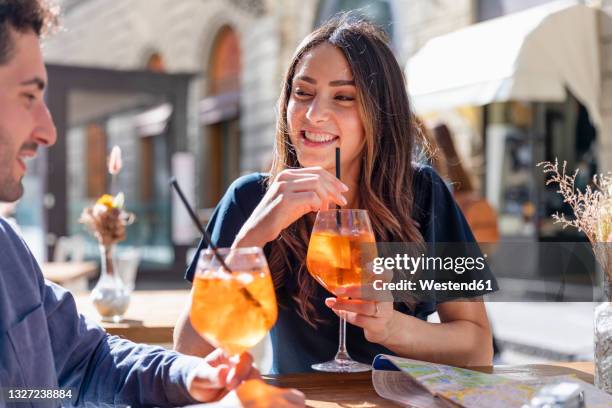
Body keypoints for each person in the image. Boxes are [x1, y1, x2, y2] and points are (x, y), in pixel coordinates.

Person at [0, 1, 305, 406]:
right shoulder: (251, 195)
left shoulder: (8, 251)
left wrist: (193, 375)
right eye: (28, 97)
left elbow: (87, 363)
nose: (49, 131)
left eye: (345, 97)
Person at [175, 14, 494, 374]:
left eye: (343, 97)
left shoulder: (423, 194)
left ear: (379, 112)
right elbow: (188, 353)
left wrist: (392, 327)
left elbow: (478, 349)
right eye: (303, 93)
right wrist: (252, 239)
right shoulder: (250, 198)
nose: (314, 114)